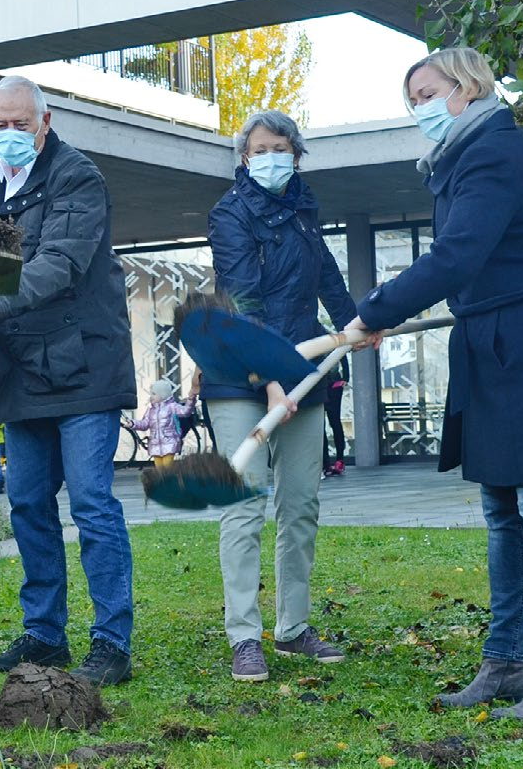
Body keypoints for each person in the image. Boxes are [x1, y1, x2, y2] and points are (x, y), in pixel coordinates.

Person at [345, 48, 523, 720]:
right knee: (502, 510)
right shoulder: (460, 162)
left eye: (427, 91)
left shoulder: (493, 153)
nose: (417, 107)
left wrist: (376, 309)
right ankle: (504, 665)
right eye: (408, 96)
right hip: (498, 346)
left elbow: (458, 254)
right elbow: (476, 267)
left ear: (467, 87)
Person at [0, 75, 137, 686]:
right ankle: (44, 636)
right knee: (28, 504)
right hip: (21, 372)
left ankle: (111, 644)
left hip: (85, 365)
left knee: (91, 504)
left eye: (20, 123)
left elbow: (59, 262)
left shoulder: (78, 177)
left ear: (45, 120)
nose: (9, 135)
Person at [201, 109, 358, 683]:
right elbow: (243, 298)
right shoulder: (230, 214)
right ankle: (244, 634)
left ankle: (293, 628)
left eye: (281, 147)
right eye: (259, 149)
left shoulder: (304, 210)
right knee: (244, 506)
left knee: (300, 505)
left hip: (302, 369)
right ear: (245, 158)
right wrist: (269, 381)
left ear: (296, 153)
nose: (271, 156)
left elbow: (327, 279)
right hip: (239, 373)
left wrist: (356, 323)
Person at [130, 378, 198, 467]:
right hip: (155, 444)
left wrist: (190, 401)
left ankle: (169, 480)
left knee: (167, 468)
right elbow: (145, 424)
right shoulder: (150, 410)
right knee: (159, 470)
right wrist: (133, 424)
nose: (151, 396)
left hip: (169, 442)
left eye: (154, 394)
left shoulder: (172, 407)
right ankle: (163, 481)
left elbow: (185, 412)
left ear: (162, 395)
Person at [321, 355, 349, 477]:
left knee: (334, 421)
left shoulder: (334, 336)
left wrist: (345, 378)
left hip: (334, 383)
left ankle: (339, 460)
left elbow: (343, 355)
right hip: (319, 385)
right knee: (320, 424)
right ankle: (325, 463)